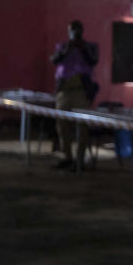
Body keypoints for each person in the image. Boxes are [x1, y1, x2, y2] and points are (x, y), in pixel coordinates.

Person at [49, 20, 99, 170]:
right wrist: (67, 50)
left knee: (83, 126)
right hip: (64, 90)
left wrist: (82, 48)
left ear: (82, 31)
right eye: (72, 30)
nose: (75, 33)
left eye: (77, 30)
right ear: (68, 31)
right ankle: (67, 157)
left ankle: (80, 159)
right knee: (62, 126)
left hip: (81, 90)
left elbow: (93, 61)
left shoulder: (90, 46)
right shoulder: (63, 46)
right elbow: (55, 60)